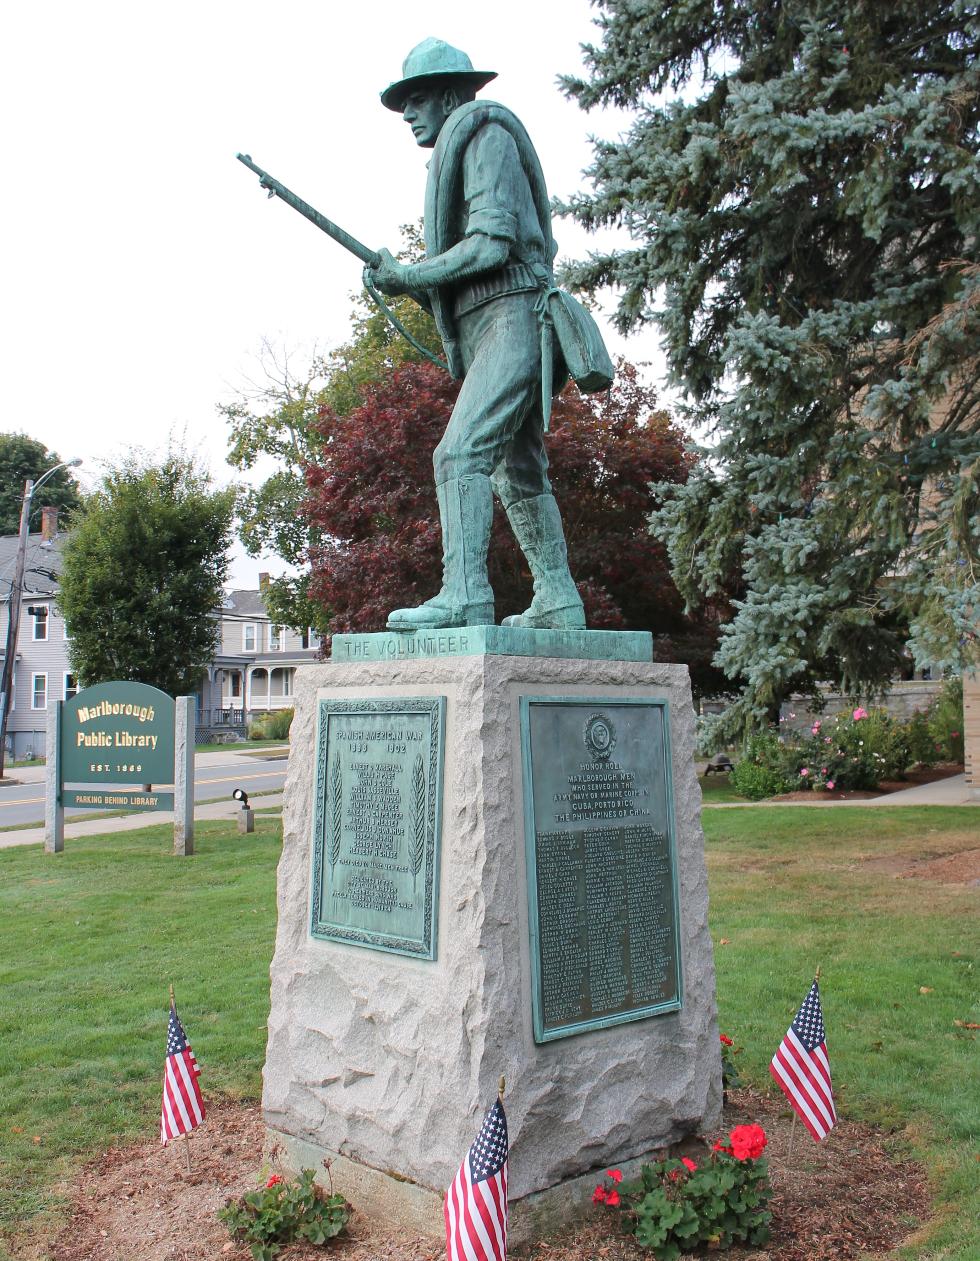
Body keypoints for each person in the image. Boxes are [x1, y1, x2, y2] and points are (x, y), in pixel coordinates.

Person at [366, 38, 587, 633]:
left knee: (460, 454)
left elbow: (493, 242)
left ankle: (464, 594)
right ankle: (559, 599)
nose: (408, 113)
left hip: (515, 319)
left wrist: (412, 272)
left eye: (414, 100)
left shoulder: (486, 137)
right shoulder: (465, 144)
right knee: (518, 471)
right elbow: (469, 272)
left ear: (445, 95)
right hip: (493, 320)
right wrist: (409, 283)